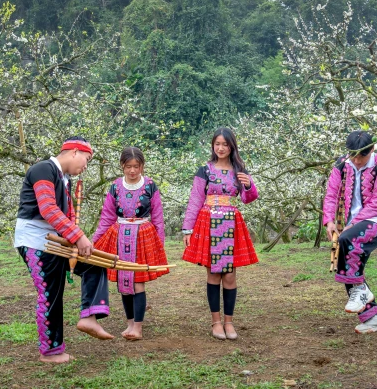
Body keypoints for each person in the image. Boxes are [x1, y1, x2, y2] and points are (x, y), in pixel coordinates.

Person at [14, 136, 113, 364]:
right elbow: (48, 209)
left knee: (94, 263)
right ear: (74, 152)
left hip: (57, 241)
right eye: (86, 160)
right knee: (50, 294)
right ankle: (50, 352)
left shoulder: (64, 179)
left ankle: (90, 317)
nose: (85, 166)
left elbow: (63, 216)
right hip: (36, 242)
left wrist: (76, 240)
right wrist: (78, 237)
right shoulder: (42, 169)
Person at [182, 127, 259, 340]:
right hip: (208, 222)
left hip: (230, 223)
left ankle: (229, 322)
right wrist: (188, 228)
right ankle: (216, 322)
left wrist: (249, 185)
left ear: (231, 146)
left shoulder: (239, 169)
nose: (221, 148)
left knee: (231, 275)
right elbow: (195, 199)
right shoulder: (204, 170)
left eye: (225, 144)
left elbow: (248, 198)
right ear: (212, 146)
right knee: (213, 273)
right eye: (217, 144)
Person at [324, 131, 377, 334]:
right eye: (353, 156)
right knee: (347, 265)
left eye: (362, 156)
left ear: (372, 150)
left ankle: (363, 294)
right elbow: (331, 193)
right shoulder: (342, 163)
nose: (357, 161)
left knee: (347, 241)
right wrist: (329, 220)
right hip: (352, 225)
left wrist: (352, 225)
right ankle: (375, 318)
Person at [92, 147, 169, 341]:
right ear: (122, 166)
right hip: (119, 236)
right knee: (123, 282)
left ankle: (138, 327)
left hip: (143, 237)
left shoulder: (151, 186)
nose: (132, 171)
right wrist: (93, 242)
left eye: (136, 166)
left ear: (142, 166)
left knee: (138, 282)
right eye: (128, 166)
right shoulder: (115, 187)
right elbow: (107, 217)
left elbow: (158, 217)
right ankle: (129, 324)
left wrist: (159, 244)